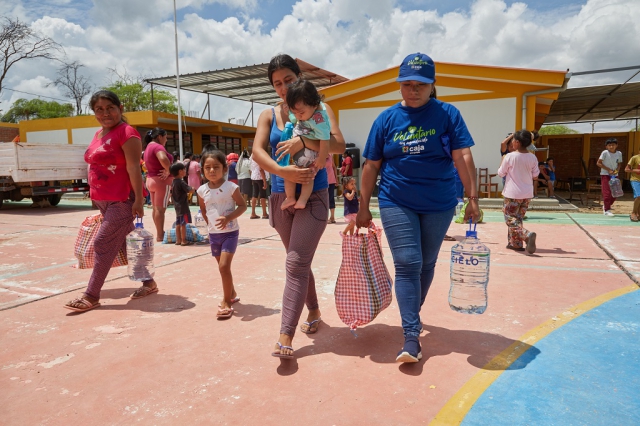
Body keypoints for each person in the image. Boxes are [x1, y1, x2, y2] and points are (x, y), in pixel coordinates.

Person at [355, 52, 480, 363]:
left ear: (432, 85)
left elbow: (462, 156)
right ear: (399, 85)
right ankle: (411, 335)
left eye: (420, 85)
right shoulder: (386, 119)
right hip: (396, 199)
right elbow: (371, 165)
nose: (413, 90)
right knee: (408, 263)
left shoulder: (448, 114)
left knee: (426, 263)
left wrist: (472, 198)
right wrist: (363, 205)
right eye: (407, 84)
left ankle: (413, 311)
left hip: (439, 202)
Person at [251, 53, 345, 359]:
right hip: (281, 198)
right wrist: (282, 171)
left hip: (313, 195)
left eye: (288, 80)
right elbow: (257, 151)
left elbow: (339, 144)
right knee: (299, 261)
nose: (283, 88)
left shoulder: (320, 109)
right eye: (277, 83)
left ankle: (285, 336)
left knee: (294, 263)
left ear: (299, 77)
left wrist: (304, 142)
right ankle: (314, 310)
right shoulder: (269, 115)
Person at [64, 90, 158, 313]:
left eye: (110, 108)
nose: (105, 113)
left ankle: (91, 295)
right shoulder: (98, 134)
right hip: (103, 200)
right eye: (99, 109)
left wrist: (139, 200)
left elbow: (133, 168)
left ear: (120, 108)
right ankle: (149, 283)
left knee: (103, 243)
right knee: (125, 244)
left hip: (122, 199)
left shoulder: (127, 133)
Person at [196, 150, 247, 319]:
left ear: (224, 168)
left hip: (230, 233)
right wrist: (209, 225)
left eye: (216, 167)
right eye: (207, 167)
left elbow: (242, 206)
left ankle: (226, 301)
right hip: (214, 234)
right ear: (202, 170)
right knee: (222, 267)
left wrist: (228, 218)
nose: (212, 170)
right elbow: (203, 209)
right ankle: (231, 292)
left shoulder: (231, 187)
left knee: (224, 266)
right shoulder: (201, 190)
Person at [280, 79, 330, 210]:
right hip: (303, 150)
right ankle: (298, 199)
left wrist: (322, 158)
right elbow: (296, 119)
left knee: (302, 174)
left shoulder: (319, 120)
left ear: (314, 104)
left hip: (309, 151)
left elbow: (325, 139)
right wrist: (290, 113)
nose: (298, 116)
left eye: (301, 112)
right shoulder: (306, 111)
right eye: (294, 112)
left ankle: (293, 198)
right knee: (304, 175)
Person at [497, 130, 539, 253]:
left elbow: (501, 173)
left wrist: (503, 161)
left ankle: (526, 235)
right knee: (518, 218)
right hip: (527, 194)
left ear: (517, 142)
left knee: (510, 218)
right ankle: (515, 244)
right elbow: (535, 175)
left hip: (512, 193)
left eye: (514, 141)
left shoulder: (510, 156)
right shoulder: (533, 157)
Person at [143, 127, 174, 242]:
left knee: (156, 209)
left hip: (151, 180)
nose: (166, 140)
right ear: (160, 137)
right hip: (161, 181)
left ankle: (159, 233)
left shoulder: (148, 147)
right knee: (160, 210)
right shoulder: (158, 147)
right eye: (165, 137)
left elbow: (145, 165)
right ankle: (160, 235)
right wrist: (169, 170)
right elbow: (162, 158)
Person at [596, 138, 623, 216]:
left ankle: (606, 205)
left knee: (616, 193)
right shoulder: (605, 153)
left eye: (613, 145)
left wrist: (617, 170)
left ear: (616, 145)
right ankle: (607, 210)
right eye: (609, 145)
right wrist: (608, 169)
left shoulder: (619, 153)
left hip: (615, 175)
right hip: (605, 174)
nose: (611, 147)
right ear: (606, 146)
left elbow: (619, 163)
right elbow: (598, 163)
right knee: (607, 192)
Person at [170, 162, 194, 246]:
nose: (185, 171)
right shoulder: (181, 182)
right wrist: (193, 188)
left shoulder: (173, 182)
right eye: (184, 169)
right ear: (180, 171)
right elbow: (190, 190)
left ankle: (178, 240)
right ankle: (184, 240)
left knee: (178, 223)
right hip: (183, 206)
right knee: (183, 224)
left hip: (177, 206)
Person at [249, 152, 269, 219]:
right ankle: (264, 213)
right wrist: (264, 181)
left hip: (254, 177)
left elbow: (251, 168)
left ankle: (253, 213)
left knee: (254, 195)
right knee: (262, 195)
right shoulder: (259, 155)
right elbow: (261, 169)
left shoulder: (252, 156)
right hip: (260, 177)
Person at [624, 147, 640, 222]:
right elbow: (626, 169)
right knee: (638, 196)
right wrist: (635, 170)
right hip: (635, 180)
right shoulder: (635, 158)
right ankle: (633, 213)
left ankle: (638, 213)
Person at [326, 155, 338, 223]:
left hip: (331, 180)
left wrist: (336, 178)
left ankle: (332, 217)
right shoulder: (319, 155)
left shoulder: (330, 155)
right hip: (323, 181)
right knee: (325, 199)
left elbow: (334, 167)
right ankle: (325, 217)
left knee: (331, 198)